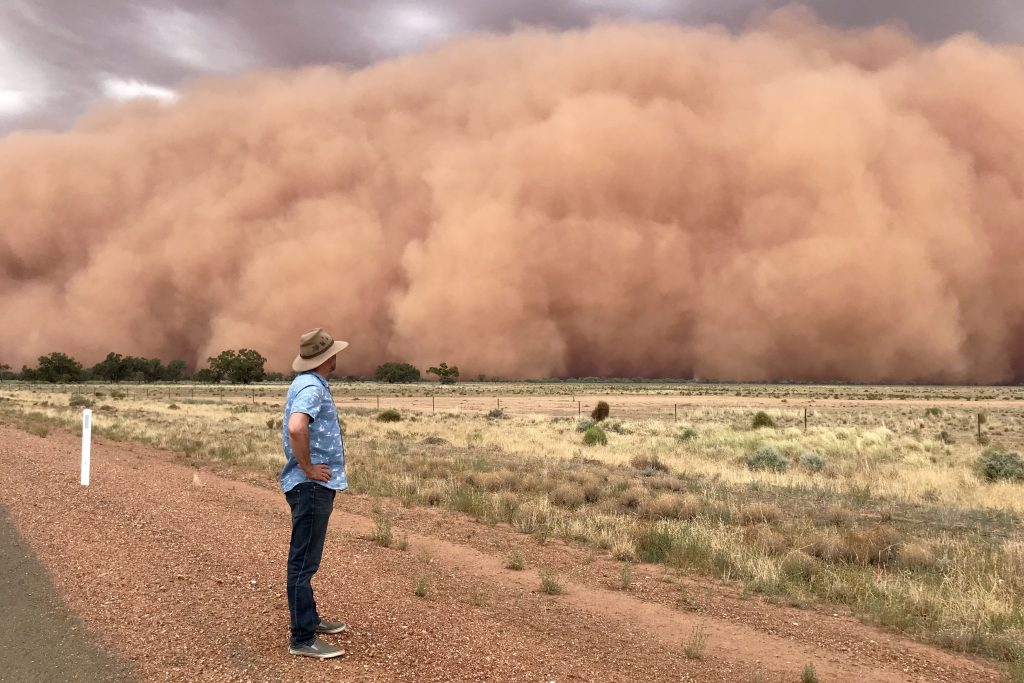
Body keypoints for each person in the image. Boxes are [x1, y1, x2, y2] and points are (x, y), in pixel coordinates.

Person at [280, 327, 350, 659]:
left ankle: (310, 619)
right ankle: (302, 638)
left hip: (311, 486)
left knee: (306, 559)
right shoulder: (311, 387)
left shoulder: (307, 383)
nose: (337, 356)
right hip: (311, 486)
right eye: (334, 352)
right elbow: (297, 426)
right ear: (328, 357)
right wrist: (308, 468)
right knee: (303, 562)